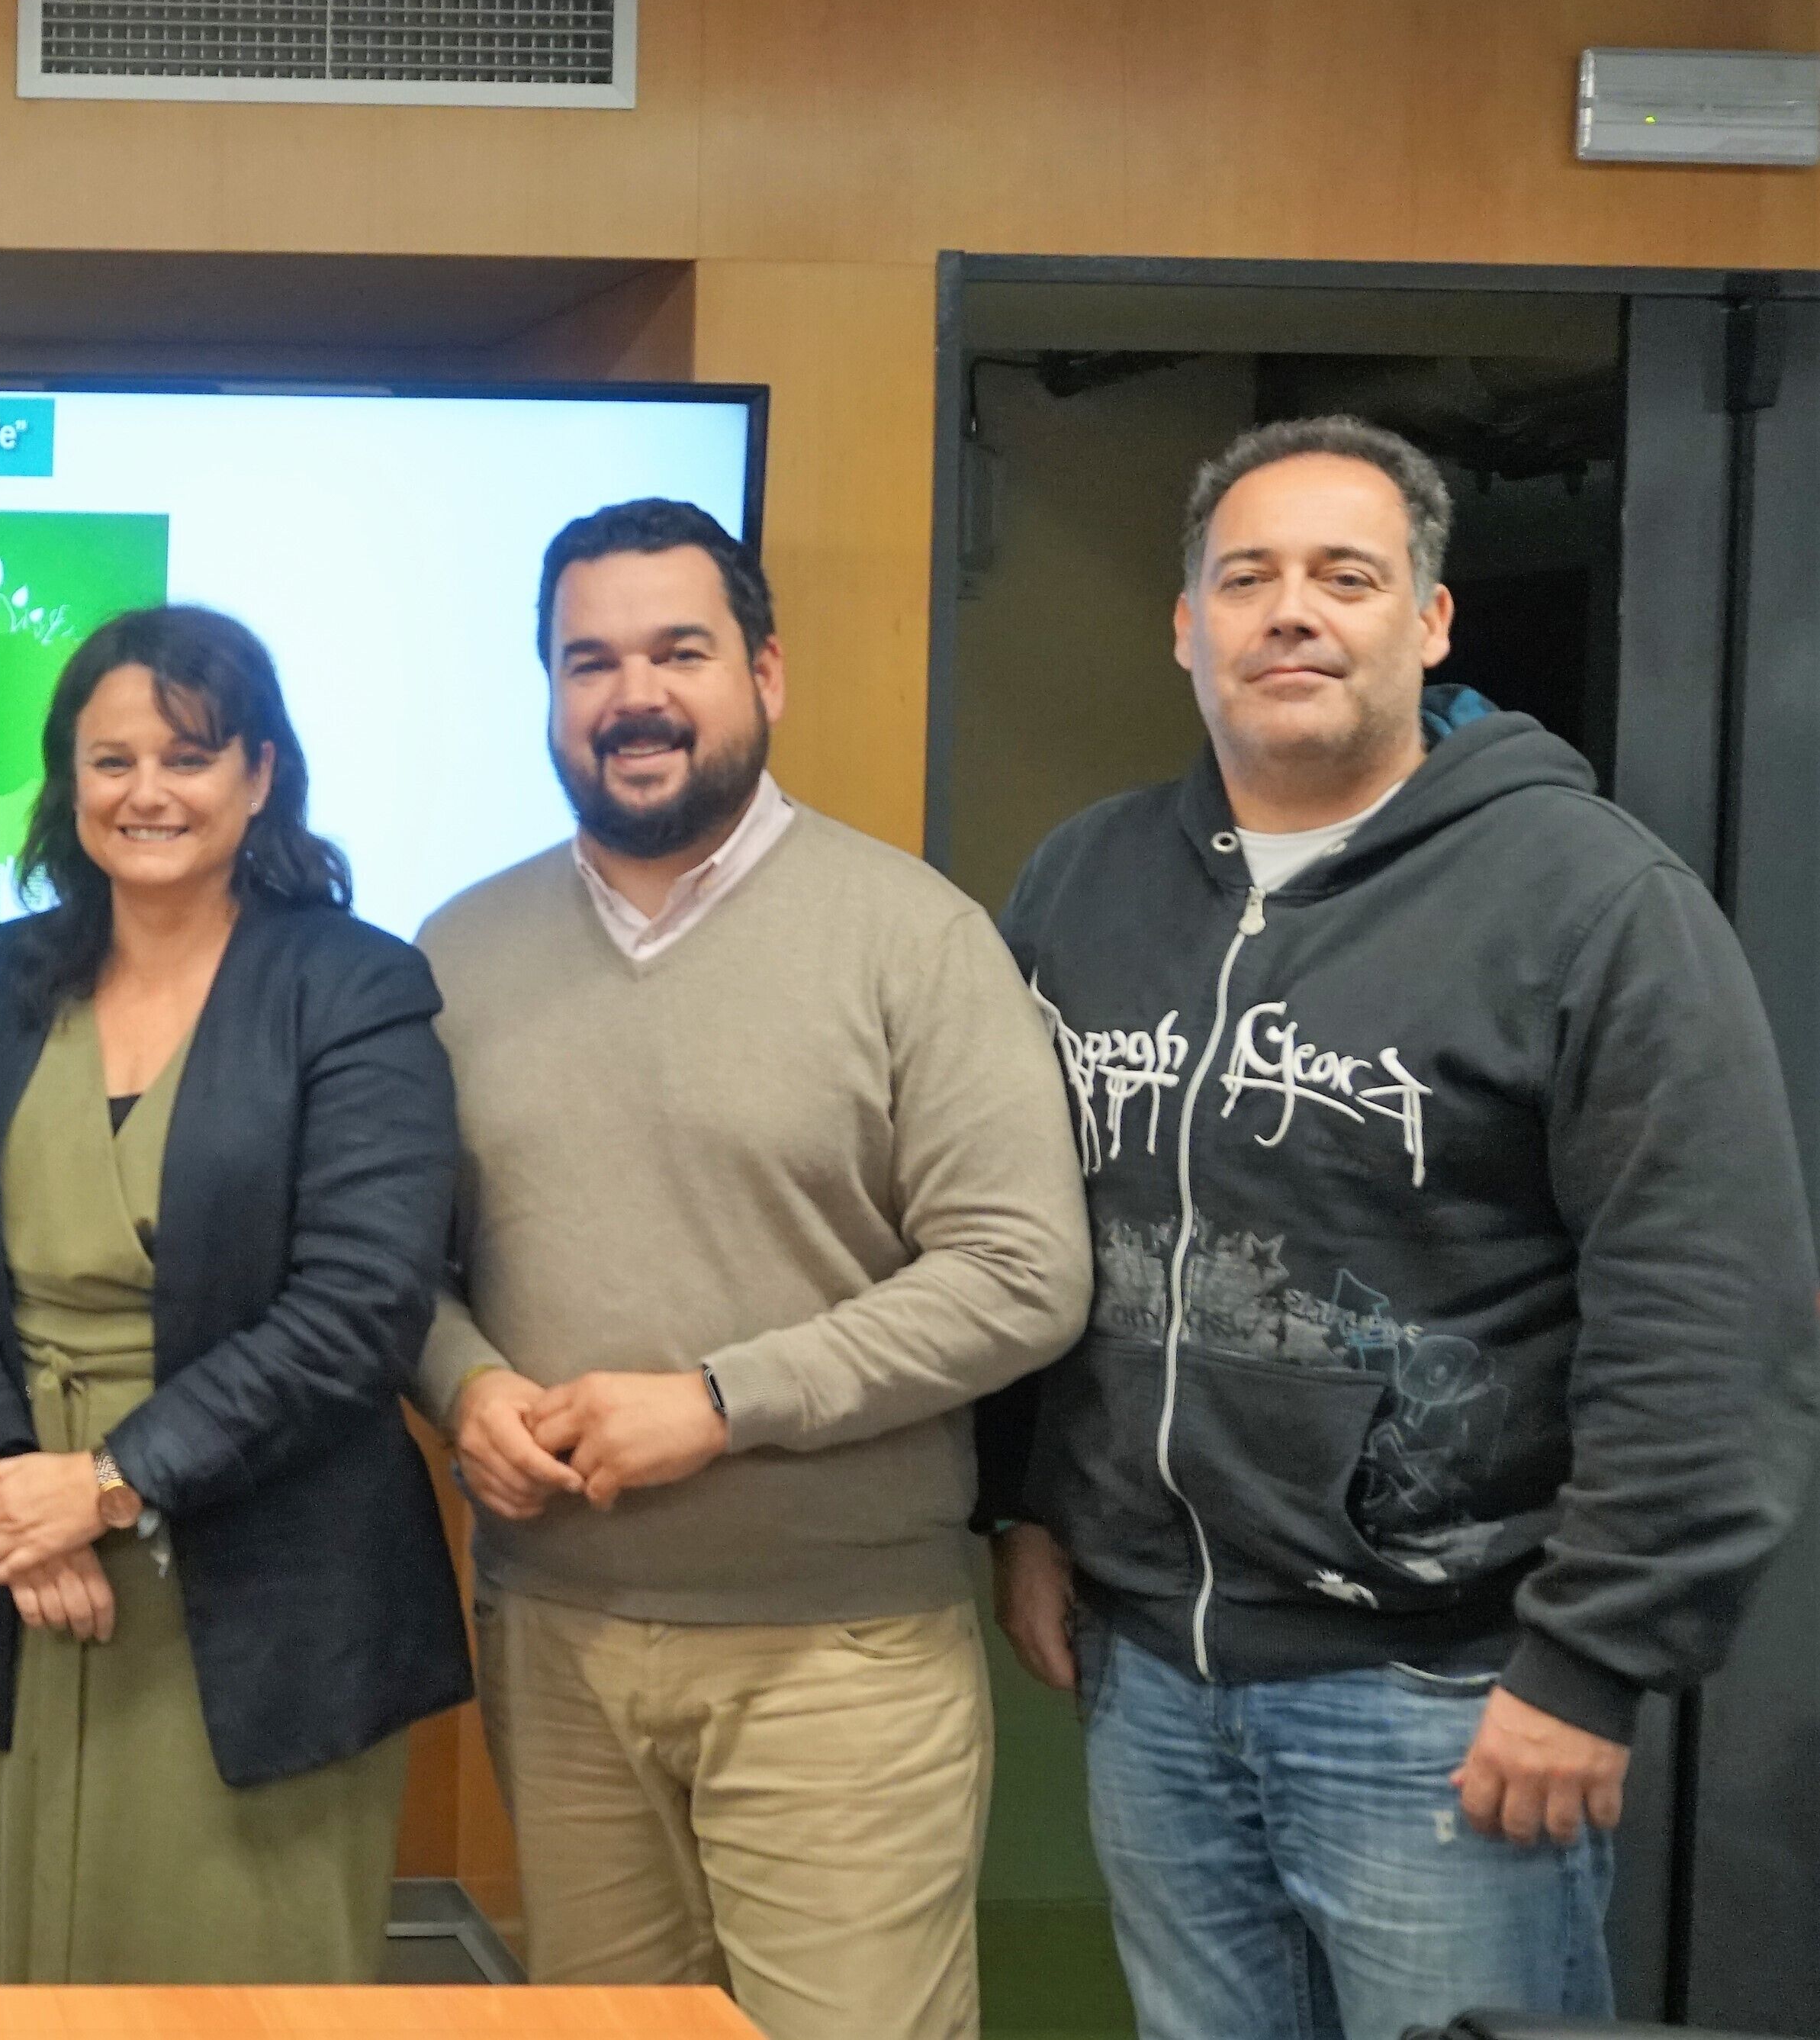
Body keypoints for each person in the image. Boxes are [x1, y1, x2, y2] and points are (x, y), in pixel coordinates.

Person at [986, 417, 1820, 2038]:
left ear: (1428, 621)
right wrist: (1026, 1504)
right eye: (1246, 577)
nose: (1290, 611)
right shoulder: (1081, 883)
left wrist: (1589, 1661)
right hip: (1147, 1677)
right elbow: (1025, 1225)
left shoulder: (1590, 902)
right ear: (1183, 626)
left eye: (1343, 576)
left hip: (1446, 1693)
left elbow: (1707, 1312)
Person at [410, 501, 1090, 2040]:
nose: (631, 696)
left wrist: (721, 1401)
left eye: (678, 652)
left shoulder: (913, 938)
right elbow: (394, 1264)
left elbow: (1020, 1270)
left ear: (764, 672)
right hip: (554, 1637)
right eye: (588, 661)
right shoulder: (455, 950)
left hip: (836, 1654)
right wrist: (463, 1383)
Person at [0, 603, 471, 1984]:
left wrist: (107, 1484)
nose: (146, 791)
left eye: (189, 756)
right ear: (66, 781)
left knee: (230, 1975)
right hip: (11, 1565)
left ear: (259, 774)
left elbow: (361, 1301)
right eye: (111, 759)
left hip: (260, 1575)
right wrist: (7, 1486)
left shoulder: (355, 984)